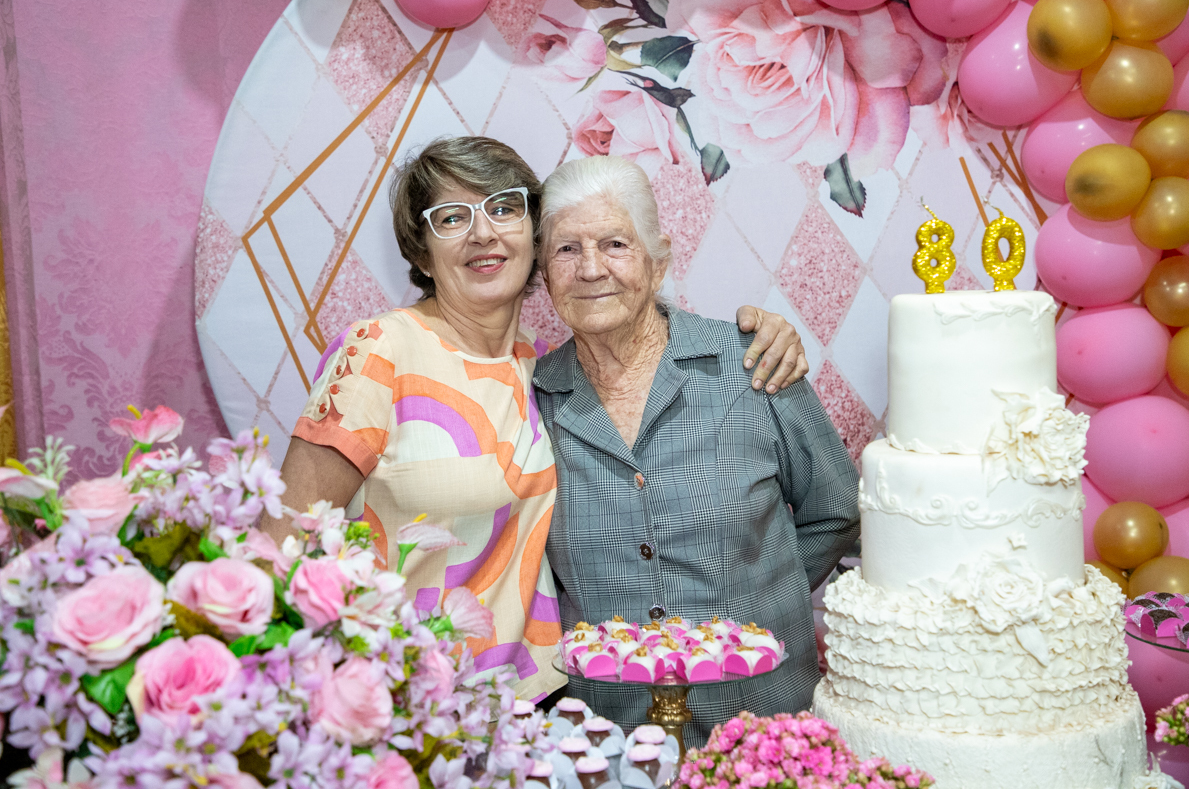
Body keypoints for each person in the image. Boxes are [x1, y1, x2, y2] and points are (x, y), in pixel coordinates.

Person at [261, 137, 809, 702]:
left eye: (503, 208)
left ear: (535, 241)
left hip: (532, 704)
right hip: (404, 701)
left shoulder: (542, 370)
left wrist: (762, 333)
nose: (483, 233)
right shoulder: (379, 351)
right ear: (422, 254)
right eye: (452, 217)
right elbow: (279, 549)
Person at [531, 155, 860, 743]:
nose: (590, 268)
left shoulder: (752, 364)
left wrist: (759, 599)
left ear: (657, 262)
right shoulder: (532, 400)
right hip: (607, 737)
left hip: (756, 729)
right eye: (566, 249)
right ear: (545, 273)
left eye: (615, 244)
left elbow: (837, 510)